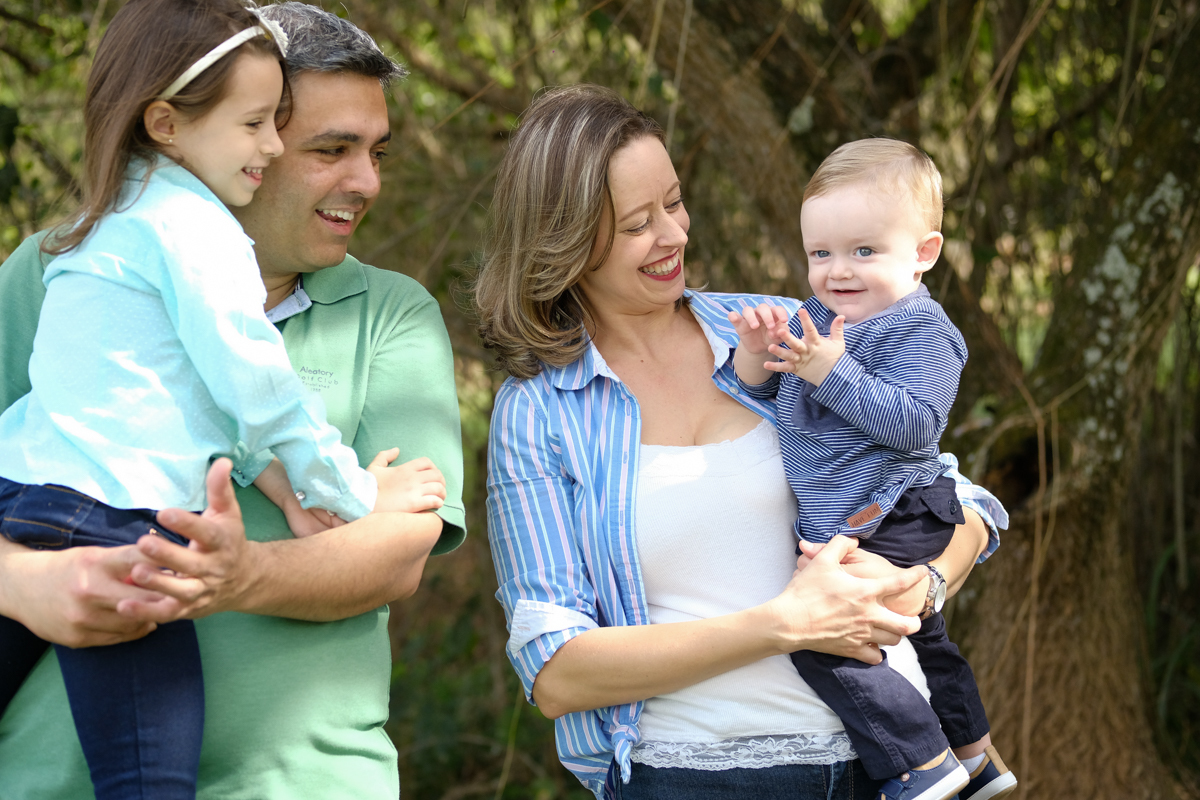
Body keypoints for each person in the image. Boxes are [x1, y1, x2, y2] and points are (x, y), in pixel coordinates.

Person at [475, 84, 1008, 800]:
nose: (674, 235)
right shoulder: (539, 412)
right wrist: (781, 626)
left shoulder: (782, 328)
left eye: (675, 201)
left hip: (885, 769)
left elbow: (951, 490)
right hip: (693, 778)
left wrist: (929, 579)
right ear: (565, 240)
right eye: (638, 223)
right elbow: (556, 671)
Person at [0, 3, 465, 798]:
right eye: (331, 148)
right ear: (186, 129)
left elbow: (397, 555)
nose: (368, 181)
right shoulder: (59, 264)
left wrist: (237, 574)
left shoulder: (393, 313)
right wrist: (21, 583)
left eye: (377, 152)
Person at [729, 139, 1016, 800]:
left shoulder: (921, 329)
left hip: (900, 506)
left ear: (923, 254)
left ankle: (921, 763)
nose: (839, 271)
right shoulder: (816, 320)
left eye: (864, 251)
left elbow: (916, 422)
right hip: (862, 511)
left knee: (821, 639)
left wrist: (832, 371)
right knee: (928, 639)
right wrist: (754, 355)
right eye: (820, 254)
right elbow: (772, 399)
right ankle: (976, 758)